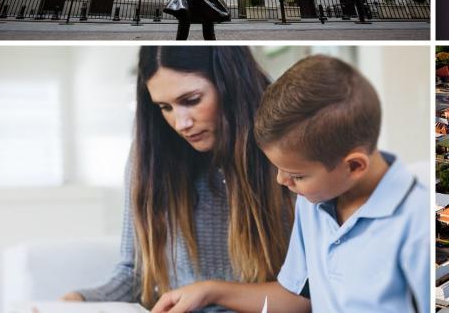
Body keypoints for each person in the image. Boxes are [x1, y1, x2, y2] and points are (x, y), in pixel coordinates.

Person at [151, 55, 430, 313]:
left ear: (354, 166)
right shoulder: (313, 204)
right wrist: (210, 292)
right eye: (280, 169)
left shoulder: (417, 224)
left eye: (297, 175)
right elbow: (298, 297)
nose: (281, 181)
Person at [62, 47, 294, 311]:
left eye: (192, 100)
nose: (180, 123)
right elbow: (134, 273)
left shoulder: (289, 156)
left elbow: (304, 293)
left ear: (230, 82)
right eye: (165, 107)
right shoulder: (149, 157)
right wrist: (78, 301)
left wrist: (212, 293)